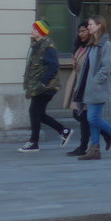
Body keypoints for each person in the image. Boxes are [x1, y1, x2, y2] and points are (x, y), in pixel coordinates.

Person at [74, 15, 111, 160]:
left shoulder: (105, 45)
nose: (89, 26)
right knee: (93, 118)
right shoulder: (93, 44)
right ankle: (95, 149)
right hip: (91, 89)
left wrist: (95, 81)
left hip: (98, 88)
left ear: (99, 26)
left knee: (92, 118)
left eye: (91, 24)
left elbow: (107, 65)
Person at [19, 20, 71, 152]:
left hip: (45, 87)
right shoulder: (37, 45)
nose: (32, 31)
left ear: (41, 32)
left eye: (35, 30)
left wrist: (43, 82)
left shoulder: (47, 46)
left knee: (34, 112)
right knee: (38, 114)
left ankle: (34, 142)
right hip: (39, 86)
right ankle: (63, 131)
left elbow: (53, 66)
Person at [61, 23, 95, 157]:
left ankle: (83, 146)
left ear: (90, 31)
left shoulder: (93, 47)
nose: (80, 34)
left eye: (83, 31)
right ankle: (109, 135)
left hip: (86, 85)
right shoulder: (80, 46)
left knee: (83, 116)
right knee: (80, 115)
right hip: (77, 82)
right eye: (79, 31)